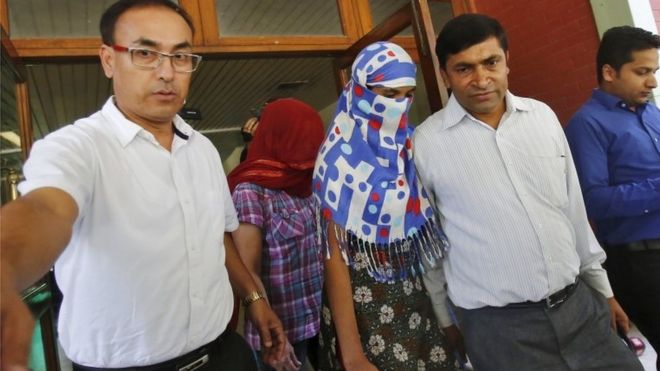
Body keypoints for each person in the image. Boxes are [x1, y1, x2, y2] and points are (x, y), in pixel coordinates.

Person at [0, 0, 286, 369]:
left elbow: (216, 234)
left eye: (181, 57)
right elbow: (47, 208)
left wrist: (254, 298)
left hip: (223, 354)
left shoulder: (202, 150)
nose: (167, 72)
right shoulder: (77, 147)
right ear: (108, 60)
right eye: (145, 53)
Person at [413, 14, 644, 371]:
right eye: (464, 69)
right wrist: (446, 318)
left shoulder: (542, 117)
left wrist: (604, 291)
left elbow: (573, 211)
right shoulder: (425, 144)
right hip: (499, 329)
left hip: (580, 307)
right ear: (445, 75)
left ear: (507, 60)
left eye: (491, 62)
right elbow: (430, 242)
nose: (481, 79)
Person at [313, 41, 460, 371]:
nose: (400, 105)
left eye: (407, 95)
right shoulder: (337, 159)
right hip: (364, 313)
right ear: (361, 91)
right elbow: (333, 260)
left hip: (416, 301)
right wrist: (351, 353)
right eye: (388, 95)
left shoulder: (407, 145)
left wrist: (442, 312)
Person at [565, 25, 660, 369]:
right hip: (640, 263)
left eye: (654, 72)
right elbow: (595, 201)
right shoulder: (586, 123)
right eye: (642, 72)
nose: (651, 82)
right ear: (609, 71)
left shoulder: (651, 113)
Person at [228, 98, 326, 370]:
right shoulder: (251, 191)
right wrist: (271, 333)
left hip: (314, 320)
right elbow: (248, 272)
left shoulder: (308, 183)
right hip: (277, 332)